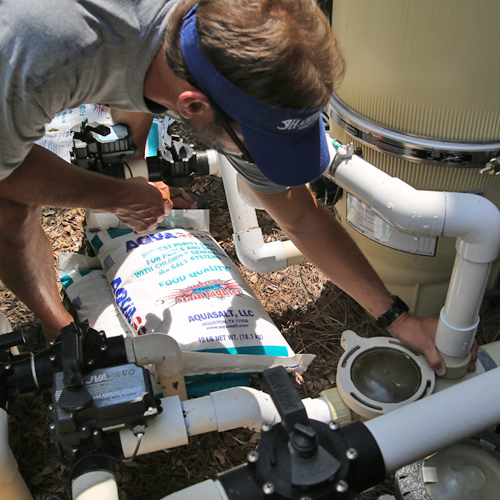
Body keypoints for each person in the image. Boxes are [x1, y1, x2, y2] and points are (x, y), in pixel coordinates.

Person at [0, 0, 470, 376]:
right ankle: (57, 327)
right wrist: (117, 195)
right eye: (259, 143)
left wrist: (397, 318)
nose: (262, 159)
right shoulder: (44, 53)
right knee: (10, 210)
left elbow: (300, 216)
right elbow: (5, 171)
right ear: (194, 106)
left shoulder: (241, 29)